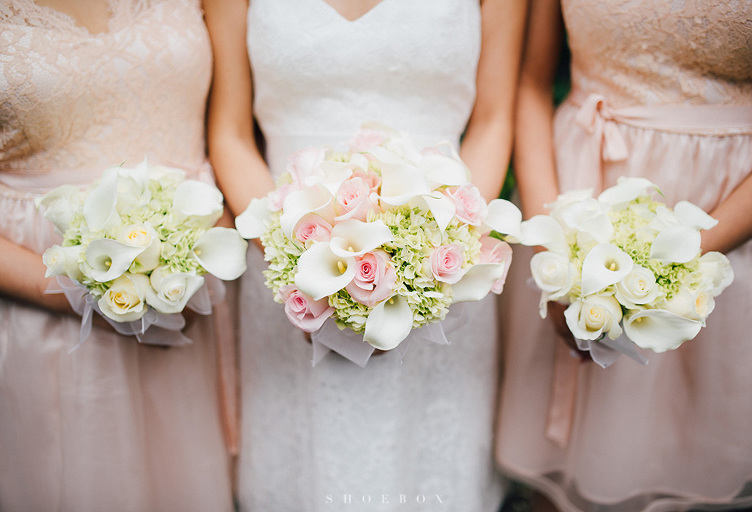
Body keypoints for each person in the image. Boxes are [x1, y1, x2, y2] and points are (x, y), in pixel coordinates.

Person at [204, 0, 526, 509]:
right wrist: (295, 252)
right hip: (289, 257)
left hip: (441, 262)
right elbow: (230, 133)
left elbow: (492, 120)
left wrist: (446, 249)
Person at [496, 0, 752, 511]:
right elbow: (531, 82)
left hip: (729, 226)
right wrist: (551, 249)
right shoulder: (556, 239)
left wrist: (675, 265)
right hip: (573, 201)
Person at [0, 1, 236, 510]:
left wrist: (204, 242)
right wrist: (87, 293)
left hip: (193, 286)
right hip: (39, 305)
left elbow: (233, 131)